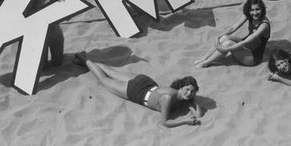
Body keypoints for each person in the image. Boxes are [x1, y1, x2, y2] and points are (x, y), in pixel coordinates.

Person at [73, 52, 204, 128]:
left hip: (146, 82)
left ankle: (86, 61)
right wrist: (185, 121)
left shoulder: (180, 95)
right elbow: (165, 122)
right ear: (181, 87)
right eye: (187, 90)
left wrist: (193, 101)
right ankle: (85, 59)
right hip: (136, 91)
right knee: (104, 80)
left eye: (192, 91)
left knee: (110, 71)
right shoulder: (168, 98)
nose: (189, 93)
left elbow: (198, 115)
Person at [191, 0, 270, 68]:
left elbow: (245, 42)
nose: (255, 13)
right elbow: (233, 28)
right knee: (224, 37)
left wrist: (226, 49)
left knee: (227, 43)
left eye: (257, 9)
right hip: (246, 47)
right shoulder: (249, 15)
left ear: (262, 9)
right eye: (252, 10)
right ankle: (204, 58)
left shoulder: (264, 25)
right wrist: (218, 37)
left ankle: (206, 63)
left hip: (252, 57)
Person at [26, 0, 65, 67]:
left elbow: (69, 17)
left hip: (56, 37)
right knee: (43, 67)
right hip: (41, 39)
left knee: (57, 64)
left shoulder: (63, 2)